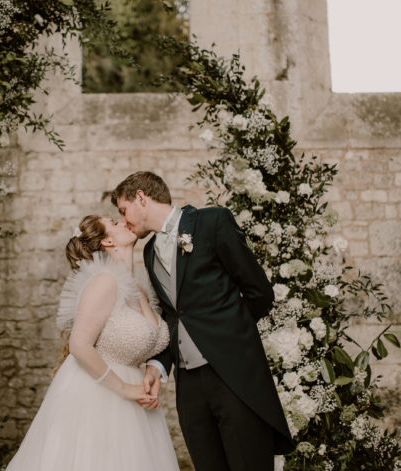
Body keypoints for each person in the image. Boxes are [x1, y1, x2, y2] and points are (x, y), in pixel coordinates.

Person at [112, 171, 295, 471]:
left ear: (141, 197)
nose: (124, 219)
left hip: (233, 376)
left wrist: (230, 338)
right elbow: (172, 316)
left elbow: (259, 291)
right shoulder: (148, 253)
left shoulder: (212, 222)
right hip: (190, 389)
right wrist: (158, 365)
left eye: (123, 210)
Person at [5, 215, 180, 470]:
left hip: (137, 402)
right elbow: (78, 344)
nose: (123, 221)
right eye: (114, 222)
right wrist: (123, 388)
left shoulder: (141, 290)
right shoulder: (104, 282)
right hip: (99, 396)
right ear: (108, 241)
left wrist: (152, 371)